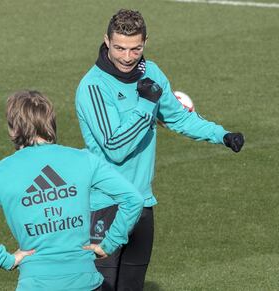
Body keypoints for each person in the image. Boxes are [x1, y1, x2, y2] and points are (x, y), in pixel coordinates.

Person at [75, 9, 244, 291]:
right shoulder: (92, 87)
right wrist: (145, 105)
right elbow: (115, 146)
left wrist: (221, 135)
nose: (127, 57)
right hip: (105, 205)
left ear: (145, 43)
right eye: (119, 48)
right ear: (106, 41)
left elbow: (178, 117)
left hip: (141, 203)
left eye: (135, 49)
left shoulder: (151, 73)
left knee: (132, 287)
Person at [0, 90, 144, 291]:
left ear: (14, 129)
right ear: (50, 122)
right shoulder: (84, 160)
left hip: (35, 283)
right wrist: (109, 243)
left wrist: (5, 259)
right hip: (85, 281)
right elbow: (133, 198)